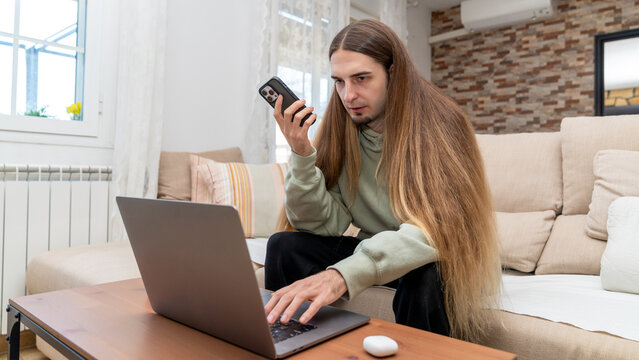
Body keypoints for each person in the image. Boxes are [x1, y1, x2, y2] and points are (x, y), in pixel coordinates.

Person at [263, 19, 501, 342]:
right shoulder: (342, 126)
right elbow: (324, 223)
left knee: (425, 276)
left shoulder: (444, 124)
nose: (349, 95)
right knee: (283, 246)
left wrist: (341, 275)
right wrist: (303, 155)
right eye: (339, 82)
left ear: (394, 73)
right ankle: (288, 343)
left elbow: (437, 230)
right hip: (376, 252)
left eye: (361, 78)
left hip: (432, 256)